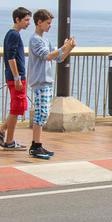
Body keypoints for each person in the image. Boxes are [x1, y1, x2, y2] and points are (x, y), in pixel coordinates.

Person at [28, 9, 76, 159]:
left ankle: (38, 144)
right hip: (40, 81)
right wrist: (63, 47)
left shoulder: (45, 40)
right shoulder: (35, 39)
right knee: (41, 113)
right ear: (39, 22)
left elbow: (58, 58)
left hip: (47, 81)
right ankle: (36, 146)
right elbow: (48, 56)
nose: (50, 26)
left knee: (44, 113)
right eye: (48, 23)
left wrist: (68, 49)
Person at [0, 7, 32, 150]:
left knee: (18, 107)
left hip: (16, 76)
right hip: (16, 77)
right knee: (16, 108)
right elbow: (11, 57)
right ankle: (9, 141)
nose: (28, 23)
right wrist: (17, 77)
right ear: (17, 19)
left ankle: (1, 132)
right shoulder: (14, 35)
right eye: (26, 20)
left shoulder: (12, 34)